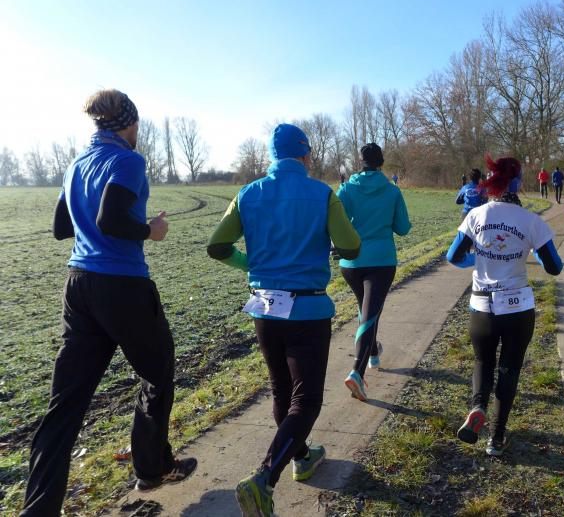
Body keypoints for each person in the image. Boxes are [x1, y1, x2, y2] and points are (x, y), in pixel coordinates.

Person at [21, 90, 196, 516]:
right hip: (122, 286)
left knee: (65, 403)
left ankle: (37, 510)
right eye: (137, 125)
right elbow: (111, 219)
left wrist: (94, 228)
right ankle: (152, 467)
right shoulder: (128, 161)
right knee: (157, 372)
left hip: (78, 286)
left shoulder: (76, 164)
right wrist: (150, 230)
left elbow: (61, 227)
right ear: (130, 124)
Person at [207, 123, 360, 515]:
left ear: (273, 156)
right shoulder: (322, 194)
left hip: (264, 307)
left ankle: (303, 457)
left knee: (282, 391)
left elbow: (217, 246)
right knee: (305, 400)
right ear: (305, 155)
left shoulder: (248, 193)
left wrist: (252, 265)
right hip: (307, 309)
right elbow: (350, 246)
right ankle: (263, 479)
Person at [447, 154, 563, 456]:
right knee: (509, 369)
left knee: (482, 361)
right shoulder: (531, 221)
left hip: (482, 306)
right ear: (519, 182)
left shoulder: (476, 215)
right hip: (517, 307)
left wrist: (478, 260)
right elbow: (554, 267)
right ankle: (496, 438)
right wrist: (535, 254)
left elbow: (453, 256)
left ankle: (478, 407)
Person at [337, 143, 411, 400]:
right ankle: (356, 372)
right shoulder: (392, 191)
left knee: (368, 309)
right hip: (381, 261)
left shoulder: (346, 189)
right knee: (369, 313)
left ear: (361, 162)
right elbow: (403, 228)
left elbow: (336, 224)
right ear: (381, 163)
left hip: (351, 263)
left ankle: (374, 353)